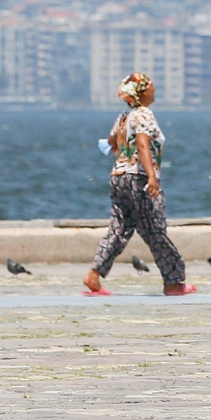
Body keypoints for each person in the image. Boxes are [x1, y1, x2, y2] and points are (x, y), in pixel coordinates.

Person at [82, 73, 196, 296]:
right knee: (155, 230)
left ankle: (94, 275)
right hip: (139, 178)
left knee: (119, 228)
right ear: (142, 92)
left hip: (119, 176)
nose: (154, 87)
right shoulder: (144, 115)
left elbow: (111, 142)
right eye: (150, 84)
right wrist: (151, 177)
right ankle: (173, 282)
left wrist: (123, 154)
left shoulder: (125, 117)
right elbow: (143, 144)